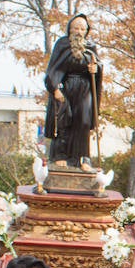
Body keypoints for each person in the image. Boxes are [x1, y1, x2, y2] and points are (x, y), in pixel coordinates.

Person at [42, 13, 103, 171]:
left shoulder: (91, 46)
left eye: (83, 28)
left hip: (85, 89)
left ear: (86, 30)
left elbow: (98, 66)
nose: (79, 31)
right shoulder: (62, 44)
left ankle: (82, 158)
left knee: (83, 121)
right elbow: (54, 68)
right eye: (76, 27)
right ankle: (60, 155)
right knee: (64, 121)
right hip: (67, 87)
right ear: (70, 28)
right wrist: (54, 88)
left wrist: (95, 69)